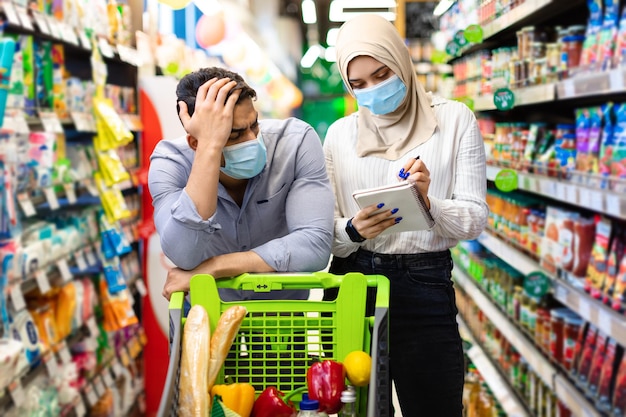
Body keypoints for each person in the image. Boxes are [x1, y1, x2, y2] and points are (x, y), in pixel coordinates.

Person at [323, 15, 489, 416]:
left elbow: (474, 218)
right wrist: (351, 229)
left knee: (435, 406)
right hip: (353, 282)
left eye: (382, 74)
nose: (374, 91)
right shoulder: (339, 135)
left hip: (424, 282)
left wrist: (428, 204)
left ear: (402, 60)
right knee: (352, 408)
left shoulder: (454, 121)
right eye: (358, 85)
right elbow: (321, 233)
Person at [148, 67, 334, 301]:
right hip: (209, 310)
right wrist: (209, 149)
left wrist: (215, 267)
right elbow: (183, 253)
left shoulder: (295, 142)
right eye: (234, 135)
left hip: (281, 310)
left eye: (254, 125)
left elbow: (315, 246)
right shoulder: (171, 162)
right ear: (194, 142)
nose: (252, 140)